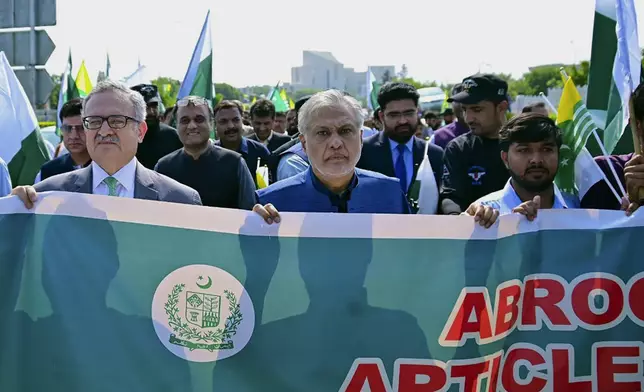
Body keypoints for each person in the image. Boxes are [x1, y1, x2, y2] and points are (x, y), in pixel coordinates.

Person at [10, 80, 202, 207]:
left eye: (117, 120)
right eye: (94, 121)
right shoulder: (45, 196)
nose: (104, 130)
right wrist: (15, 210)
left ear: (140, 131)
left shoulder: (180, 201)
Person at [256, 90, 410, 214]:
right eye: (323, 133)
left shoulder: (391, 193)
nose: (336, 143)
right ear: (304, 143)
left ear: (361, 138)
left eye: (346, 130)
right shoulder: (272, 202)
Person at [470, 113, 579, 224]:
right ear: (505, 159)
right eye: (524, 150)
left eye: (546, 149)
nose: (536, 160)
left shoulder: (580, 208)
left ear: (558, 155)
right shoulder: (483, 215)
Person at [154, 98, 258, 209]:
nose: (192, 126)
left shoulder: (235, 163)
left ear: (211, 123)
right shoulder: (163, 168)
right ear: (176, 126)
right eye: (185, 120)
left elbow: (250, 212)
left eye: (199, 119)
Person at [357, 82, 444, 210]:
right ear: (381, 116)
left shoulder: (433, 154)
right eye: (394, 115)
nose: (403, 121)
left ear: (417, 112)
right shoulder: (363, 151)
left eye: (409, 113)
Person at [440, 74, 511, 214]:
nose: (468, 118)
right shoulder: (458, 148)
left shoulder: (525, 145)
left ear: (501, 107)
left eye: (477, 110)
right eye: (465, 110)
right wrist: (457, 219)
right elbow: (451, 196)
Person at [211, 100, 271, 187]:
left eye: (235, 120)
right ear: (215, 125)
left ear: (242, 120)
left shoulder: (260, 152)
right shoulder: (209, 155)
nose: (231, 126)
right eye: (223, 121)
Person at [35, 99, 91, 183]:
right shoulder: (48, 172)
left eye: (81, 128)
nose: (74, 136)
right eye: (67, 128)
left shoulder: (107, 168)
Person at [130, 84, 183, 169]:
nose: (151, 112)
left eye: (154, 106)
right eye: (145, 107)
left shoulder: (173, 137)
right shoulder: (126, 138)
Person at [432, 84, 470, 149]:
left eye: (466, 100)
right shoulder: (438, 137)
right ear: (451, 105)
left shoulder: (488, 132)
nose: (462, 105)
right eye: (457, 101)